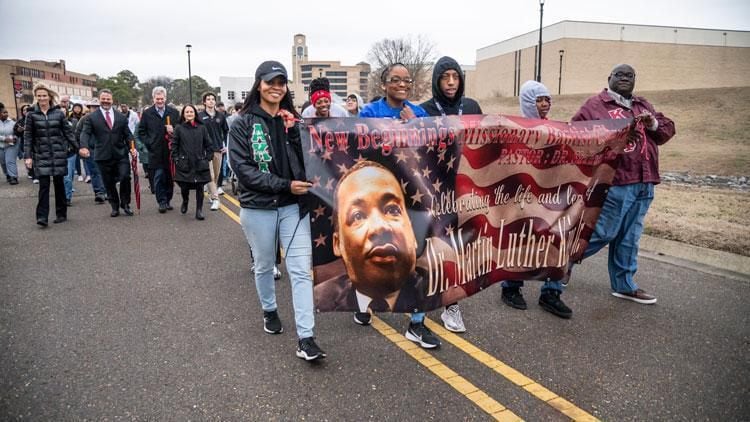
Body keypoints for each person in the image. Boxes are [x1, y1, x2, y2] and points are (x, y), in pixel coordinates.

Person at [228, 60, 326, 361]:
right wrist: (285, 184)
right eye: (270, 81)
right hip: (258, 208)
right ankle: (269, 309)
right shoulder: (243, 123)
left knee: (299, 270)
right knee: (265, 264)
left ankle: (306, 338)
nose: (276, 87)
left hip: (293, 208)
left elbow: (313, 156)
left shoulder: (293, 122)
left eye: (281, 82)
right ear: (259, 84)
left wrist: (294, 132)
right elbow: (243, 170)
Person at [570, 64, 675, 304]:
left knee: (630, 236)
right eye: (620, 75)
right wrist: (613, 137)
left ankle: (624, 285)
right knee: (604, 231)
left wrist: (652, 124)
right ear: (609, 78)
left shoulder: (643, 105)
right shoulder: (595, 105)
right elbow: (576, 136)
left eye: (630, 75)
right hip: (615, 181)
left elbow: (666, 131)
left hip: (644, 181)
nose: (625, 78)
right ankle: (559, 262)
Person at [355, 63, 439, 349]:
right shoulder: (369, 113)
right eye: (395, 80)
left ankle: (417, 324)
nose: (402, 84)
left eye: (406, 80)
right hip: (379, 196)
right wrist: (399, 128)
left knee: (417, 256)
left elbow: (432, 151)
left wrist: (415, 123)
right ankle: (364, 301)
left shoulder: (421, 113)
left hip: (414, 196)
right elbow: (361, 148)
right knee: (374, 253)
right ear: (384, 85)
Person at [315, 161, 442, 318]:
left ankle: (417, 325)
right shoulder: (322, 296)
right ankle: (362, 311)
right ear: (337, 243)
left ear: (412, 233)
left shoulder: (439, 288)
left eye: (392, 209)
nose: (379, 227)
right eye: (358, 216)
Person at [498, 80, 572, 319]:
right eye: (538, 100)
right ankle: (511, 287)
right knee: (519, 243)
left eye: (547, 100)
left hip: (552, 196)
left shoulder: (557, 129)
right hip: (522, 195)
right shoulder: (515, 128)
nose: (544, 104)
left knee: (556, 241)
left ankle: (551, 292)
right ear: (528, 102)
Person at [420, 56, 483, 332]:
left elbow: (487, 142)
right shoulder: (423, 110)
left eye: (455, 77)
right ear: (436, 80)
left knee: (458, 247)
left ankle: (451, 305)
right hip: (433, 187)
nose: (450, 82)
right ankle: (425, 294)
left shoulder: (471, 107)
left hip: (465, 187)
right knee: (433, 245)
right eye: (445, 77)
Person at [24, 83, 77, 226]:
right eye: (39, 96)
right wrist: (27, 156)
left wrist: (79, 149)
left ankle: (61, 214)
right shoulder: (31, 115)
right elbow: (28, 137)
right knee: (44, 186)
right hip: (41, 155)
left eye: (44, 95)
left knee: (59, 185)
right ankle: (42, 217)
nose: (42, 98)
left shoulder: (58, 113)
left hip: (59, 153)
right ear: (36, 97)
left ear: (49, 97)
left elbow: (68, 133)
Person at [79, 89, 136, 217]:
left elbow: (128, 134)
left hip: (120, 153)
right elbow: (85, 133)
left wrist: (133, 147)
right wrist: (84, 146)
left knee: (125, 177)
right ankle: (114, 206)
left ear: (112, 100)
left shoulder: (121, 117)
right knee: (109, 182)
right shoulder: (91, 117)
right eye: (103, 99)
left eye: (108, 99)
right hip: (102, 155)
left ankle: (125, 204)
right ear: (100, 99)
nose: (106, 101)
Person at [137, 86, 180, 213]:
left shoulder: (173, 112)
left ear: (165, 98)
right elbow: (141, 131)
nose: (160, 101)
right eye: (157, 99)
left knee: (169, 178)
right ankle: (161, 201)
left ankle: (167, 200)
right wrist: (149, 143)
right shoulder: (147, 113)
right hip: (155, 151)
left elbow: (180, 129)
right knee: (159, 177)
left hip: (170, 151)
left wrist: (174, 130)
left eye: (162, 98)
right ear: (153, 99)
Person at [172, 104, 213, 220]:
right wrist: (176, 159)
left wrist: (208, 157)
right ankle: (185, 201)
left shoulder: (202, 127)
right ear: (183, 114)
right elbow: (174, 146)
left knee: (200, 187)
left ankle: (199, 210)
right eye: (187, 112)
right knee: (184, 187)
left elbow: (208, 144)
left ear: (195, 113)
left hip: (200, 162)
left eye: (191, 112)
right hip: (184, 163)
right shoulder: (179, 128)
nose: (189, 114)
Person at [198, 92, 229, 210]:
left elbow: (226, 131)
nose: (211, 101)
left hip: (218, 149)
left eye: (212, 99)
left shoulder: (220, 116)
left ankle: (212, 192)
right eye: (208, 99)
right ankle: (216, 199)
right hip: (205, 150)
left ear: (215, 102)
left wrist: (226, 145)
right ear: (204, 102)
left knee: (215, 175)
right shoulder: (200, 116)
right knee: (210, 175)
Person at [74, 101, 107, 204]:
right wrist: (82, 147)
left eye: (97, 107)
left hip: (104, 148)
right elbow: (78, 133)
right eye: (93, 107)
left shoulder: (106, 118)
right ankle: (99, 192)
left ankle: (106, 191)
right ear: (89, 108)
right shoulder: (85, 119)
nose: (95, 109)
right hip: (90, 149)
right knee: (94, 171)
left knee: (105, 171)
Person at [63, 103, 85, 205]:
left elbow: (77, 136)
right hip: (57, 154)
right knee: (62, 177)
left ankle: (67, 197)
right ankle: (64, 195)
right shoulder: (51, 125)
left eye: (64, 112)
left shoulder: (74, 122)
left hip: (70, 153)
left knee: (68, 176)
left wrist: (78, 147)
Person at [0, 105, 19, 185]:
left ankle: (13, 177)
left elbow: (17, 132)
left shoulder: (12, 122)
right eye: (4, 112)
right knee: (3, 162)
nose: (6, 114)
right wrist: (4, 139)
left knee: (10, 161)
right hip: (0, 145)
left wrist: (15, 137)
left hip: (11, 145)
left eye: (6, 112)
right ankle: (7, 175)